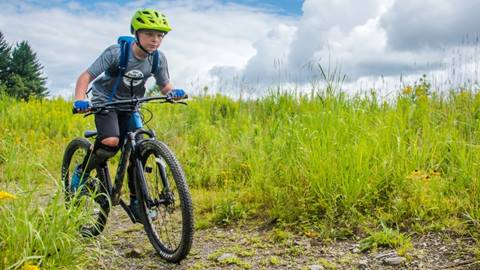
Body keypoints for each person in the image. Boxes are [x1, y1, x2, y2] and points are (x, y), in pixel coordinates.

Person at [71, 8, 186, 221]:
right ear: (136, 33)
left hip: (132, 104)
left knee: (140, 147)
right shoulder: (116, 53)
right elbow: (86, 76)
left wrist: (173, 92)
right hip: (106, 100)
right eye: (149, 34)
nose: (155, 40)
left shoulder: (157, 60)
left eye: (160, 35)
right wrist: (80, 100)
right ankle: (82, 172)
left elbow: (165, 86)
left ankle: (136, 203)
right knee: (111, 141)